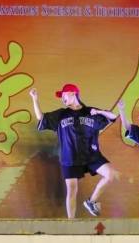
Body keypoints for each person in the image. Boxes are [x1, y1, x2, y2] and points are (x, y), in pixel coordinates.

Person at [30, 84, 118, 218]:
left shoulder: (90, 111)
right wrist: (35, 99)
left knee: (110, 174)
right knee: (71, 190)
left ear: (72, 93)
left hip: (91, 155)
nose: (62, 98)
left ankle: (91, 201)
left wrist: (99, 112)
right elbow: (41, 118)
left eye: (63, 95)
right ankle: (71, 223)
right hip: (70, 157)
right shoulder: (61, 114)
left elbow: (113, 117)